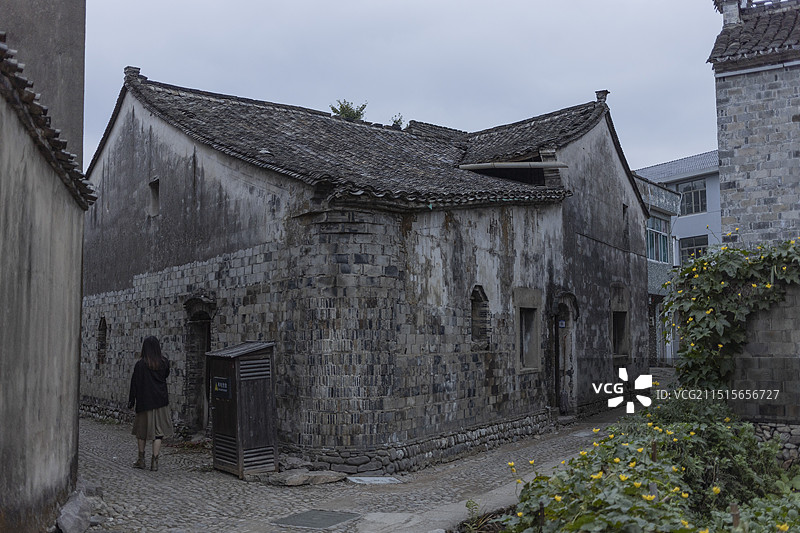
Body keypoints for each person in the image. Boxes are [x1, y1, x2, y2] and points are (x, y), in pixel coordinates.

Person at [128, 336, 173, 471]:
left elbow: (134, 384)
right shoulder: (164, 363)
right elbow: (165, 376)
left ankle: (141, 459)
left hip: (144, 402)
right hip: (160, 401)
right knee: (158, 433)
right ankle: (155, 461)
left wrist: (131, 400)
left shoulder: (140, 365)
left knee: (141, 431)